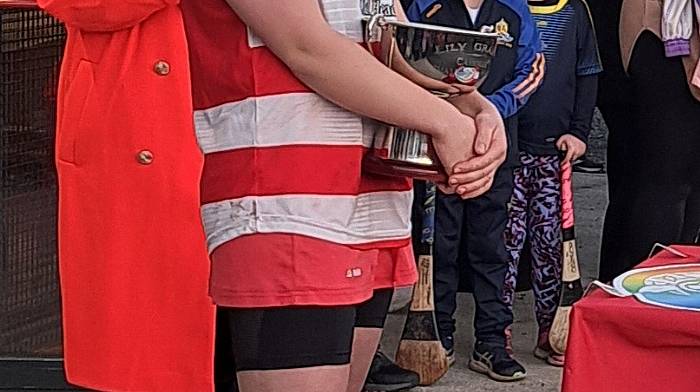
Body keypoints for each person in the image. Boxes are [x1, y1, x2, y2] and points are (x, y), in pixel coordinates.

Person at [40, 0, 508, 391]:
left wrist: (469, 104)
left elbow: (380, 35)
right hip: (281, 198)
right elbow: (307, 47)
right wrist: (446, 121)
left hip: (363, 194)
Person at [407, 0, 544, 382]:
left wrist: (489, 111)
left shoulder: (513, 9)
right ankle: (437, 335)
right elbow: (403, 61)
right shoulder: (423, 5)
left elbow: (532, 70)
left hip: (494, 150)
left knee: (491, 249)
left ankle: (491, 343)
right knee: (438, 245)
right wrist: (449, 115)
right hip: (437, 149)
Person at [502, 0, 602, 368]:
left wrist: (579, 133)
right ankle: (496, 331)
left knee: (551, 247)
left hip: (554, 154)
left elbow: (588, 73)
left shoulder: (575, 11)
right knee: (504, 246)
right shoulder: (507, 9)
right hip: (508, 151)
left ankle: (551, 330)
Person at [590, 0, 700, 283]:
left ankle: (671, 295)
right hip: (664, 30)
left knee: (687, 182)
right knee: (668, 177)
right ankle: (645, 298)